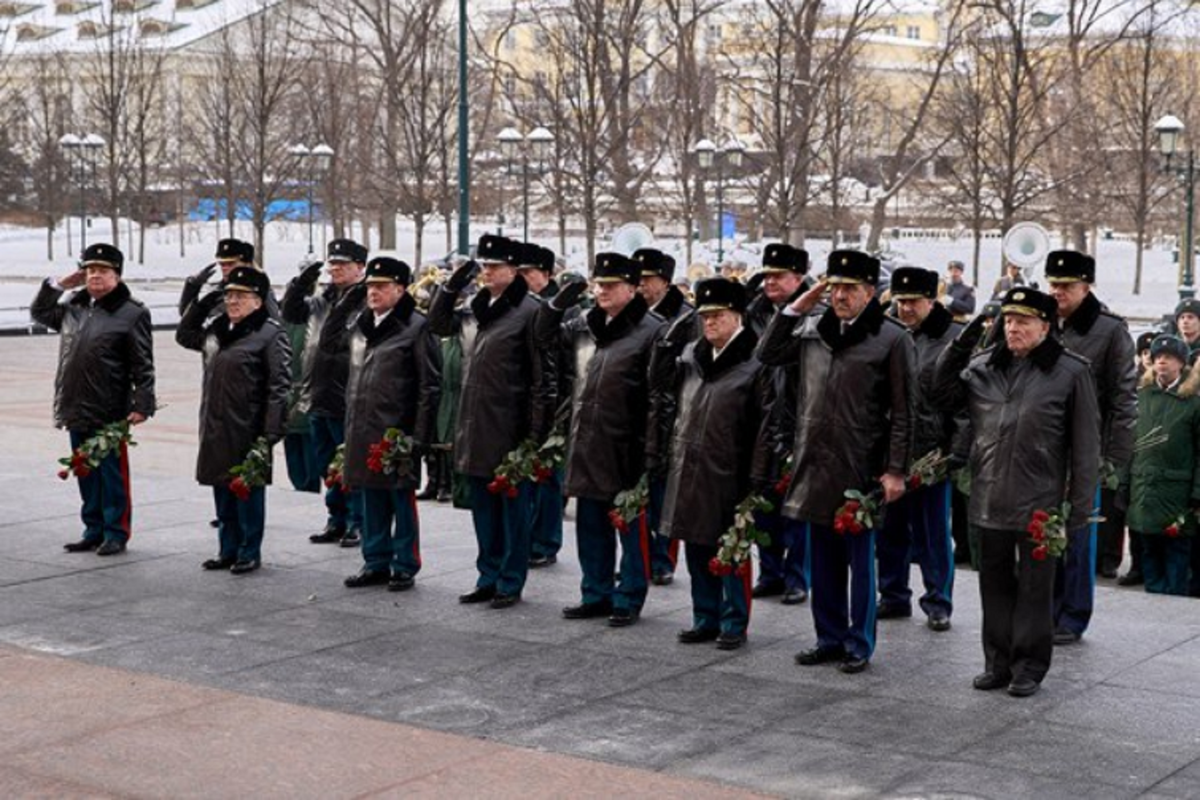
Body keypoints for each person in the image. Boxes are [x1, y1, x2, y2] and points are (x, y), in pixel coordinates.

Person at [933, 287, 1099, 698]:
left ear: (1046, 326)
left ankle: (1029, 666)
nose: (1014, 328)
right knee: (994, 583)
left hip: (1041, 502)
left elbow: (1085, 447)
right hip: (989, 493)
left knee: (1034, 589)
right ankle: (998, 662)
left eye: (1023, 321)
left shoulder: (1071, 372)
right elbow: (938, 393)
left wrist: (1077, 510)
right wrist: (969, 334)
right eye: (1008, 320)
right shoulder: (984, 366)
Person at [758, 250, 914, 675]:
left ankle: (858, 642)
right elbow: (768, 354)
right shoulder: (813, 330)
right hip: (816, 459)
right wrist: (797, 307)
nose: (841, 296)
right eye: (835, 287)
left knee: (860, 562)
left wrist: (895, 469)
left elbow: (903, 411)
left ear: (870, 292)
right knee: (822, 557)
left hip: (861, 464)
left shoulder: (891, 338)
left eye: (850, 288)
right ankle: (828, 637)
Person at [538, 252, 666, 627]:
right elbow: (543, 336)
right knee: (590, 524)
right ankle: (596, 592)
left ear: (631, 288)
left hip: (627, 444)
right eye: (598, 285)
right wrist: (560, 300)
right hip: (588, 439)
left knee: (629, 526)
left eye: (610, 286)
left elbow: (660, 398)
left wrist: (651, 449)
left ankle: (628, 596)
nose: (602, 291)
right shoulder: (585, 324)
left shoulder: (651, 330)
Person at [429, 234, 555, 609]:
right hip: (474, 422)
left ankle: (510, 580)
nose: (486, 273)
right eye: (483, 266)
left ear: (514, 269)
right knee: (483, 509)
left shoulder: (531, 311)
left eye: (494, 266)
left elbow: (542, 379)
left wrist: (533, 435)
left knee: (512, 512)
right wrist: (452, 284)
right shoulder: (475, 306)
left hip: (509, 426)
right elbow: (438, 323)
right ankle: (488, 574)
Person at [656, 278, 773, 650]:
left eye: (717, 316)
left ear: (737, 316)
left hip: (731, 469)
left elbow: (766, 425)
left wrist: (757, 476)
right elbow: (663, 389)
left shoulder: (756, 363)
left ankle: (734, 620)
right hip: (691, 463)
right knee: (696, 544)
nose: (709, 323)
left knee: (731, 547)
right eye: (704, 316)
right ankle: (704, 616)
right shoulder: (692, 355)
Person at [32, 243, 155, 556]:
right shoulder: (74, 305)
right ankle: (93, 528)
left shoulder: (132, 312)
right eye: (89, 270)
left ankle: (116, 532)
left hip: (109, 407)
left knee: (111, 475)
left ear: (117, 275)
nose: (94, 276)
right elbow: (41, 312)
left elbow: (143, 363)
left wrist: (143, 403)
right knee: (84, 470)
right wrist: (60, 285)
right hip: (76, 404)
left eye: (102, 270)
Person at [1045, 251, 1136, 642]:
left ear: (1087, 286)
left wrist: (1114, 459)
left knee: (1078, 538)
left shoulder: (1110, 329)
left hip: (1086, 451)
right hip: (1041, 448)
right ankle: (1045, 610)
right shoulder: (1041, 319)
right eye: (1053, 285)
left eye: (1066, 286)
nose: (1058, 292)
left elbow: (1124, 399)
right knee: (1042, 535)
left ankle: (1073, 615)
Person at [175, 266, 290, 575]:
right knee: (222, 489)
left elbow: (279, 386)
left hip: (249, 427)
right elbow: (184, 335)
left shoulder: (269, 333)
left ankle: (249, 551)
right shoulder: (216, 329)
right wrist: (203, 301)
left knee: (247, 492)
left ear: (258, 300)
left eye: (241, 295)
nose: (233, 301)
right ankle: (227, 549)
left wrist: (271, 431)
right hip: (215, 422)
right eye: (228, 295)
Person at [342, 257, 442, 592]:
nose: (373, 292)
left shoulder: (416, 326)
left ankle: (404, 564)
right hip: (363, 427)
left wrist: (419, 436)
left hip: (398, 431)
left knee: (400, 499)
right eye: (370, 286)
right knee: (371, 499)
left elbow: (430, 385)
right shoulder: (361, 323)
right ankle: (376, 560)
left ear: (400, 289)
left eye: (381, 286)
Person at [877, 267, 962, 631]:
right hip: (891, 451)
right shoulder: (886, 334)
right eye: (900, 301)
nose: (905, 308)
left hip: (932, 453)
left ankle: (938, 601)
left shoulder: (953, 339)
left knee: (932, 534)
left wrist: (953, 452)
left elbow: (963, 404)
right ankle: (893, 595)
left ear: (932, 300)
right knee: (889, 530)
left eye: (912, 301)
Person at [282, 238, 369, 548]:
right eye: (333, 265)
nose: (336, 270)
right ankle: (337, 518)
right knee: (327, 464)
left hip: (348, 394)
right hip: (317, 392)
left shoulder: (366, 300)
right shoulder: (322, 299)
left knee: (351, 464)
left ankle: (358, 522)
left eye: (343, 265)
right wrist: (300, 284)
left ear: (360, 268)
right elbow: (291, 312)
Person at [745, 243, 812, 605]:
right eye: (767, 275)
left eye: (778, 276)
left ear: (798, 279)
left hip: (798, 415)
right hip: (759, 416)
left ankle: (797, 577)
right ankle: (769, 571)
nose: (769, 281)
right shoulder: (753, 310)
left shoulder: (815, 312)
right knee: (763, 503)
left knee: (796, 506)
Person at [635, 247, 693, 586]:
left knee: (663, 493)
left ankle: (663, 558)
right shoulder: (635, 315)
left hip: (671, 416)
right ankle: (640, 556)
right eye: (638, 279)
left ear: (666, 282)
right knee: (639, 493)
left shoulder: (686, 318)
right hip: (640, 412)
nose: (641, 285)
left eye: (648, 279)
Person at [1127, 335, 1200, 596]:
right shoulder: (1142, 396)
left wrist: (1197, 493)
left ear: (1181, 363)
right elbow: (1129, 445)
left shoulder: (1193, 403)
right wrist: (1125, 484)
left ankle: (1174, 605)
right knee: (1148, 548)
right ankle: (1154, 602)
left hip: (1176, 492)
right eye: (1157, 357)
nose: (1161, 362)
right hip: (1143, 487)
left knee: (1176, 550)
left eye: (1168, 357)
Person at [515, 243, 566, 569]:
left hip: (554, 402)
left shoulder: (562, 309)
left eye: (527, 273)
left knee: (547, 477)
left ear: (545, 275)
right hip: (527, 400)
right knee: (527, 477)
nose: (522, 278)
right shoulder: (521, 306)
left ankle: (546, 541)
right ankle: (529, 537)